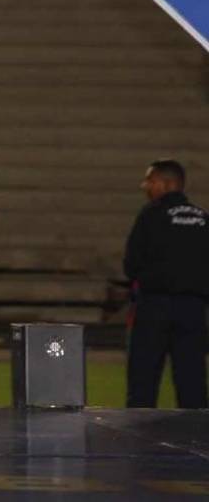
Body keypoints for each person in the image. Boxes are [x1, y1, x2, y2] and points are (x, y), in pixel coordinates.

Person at [124, 159, 209, 409]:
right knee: (192, 382)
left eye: (150, 180)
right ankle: (197, 433)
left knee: (143, 383)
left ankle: (138, 432)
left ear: (167, 183)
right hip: (193, 310)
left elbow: (131, 264)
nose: (145, 186)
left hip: (154, 307)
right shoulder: (203, 218)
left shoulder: (151, 214)